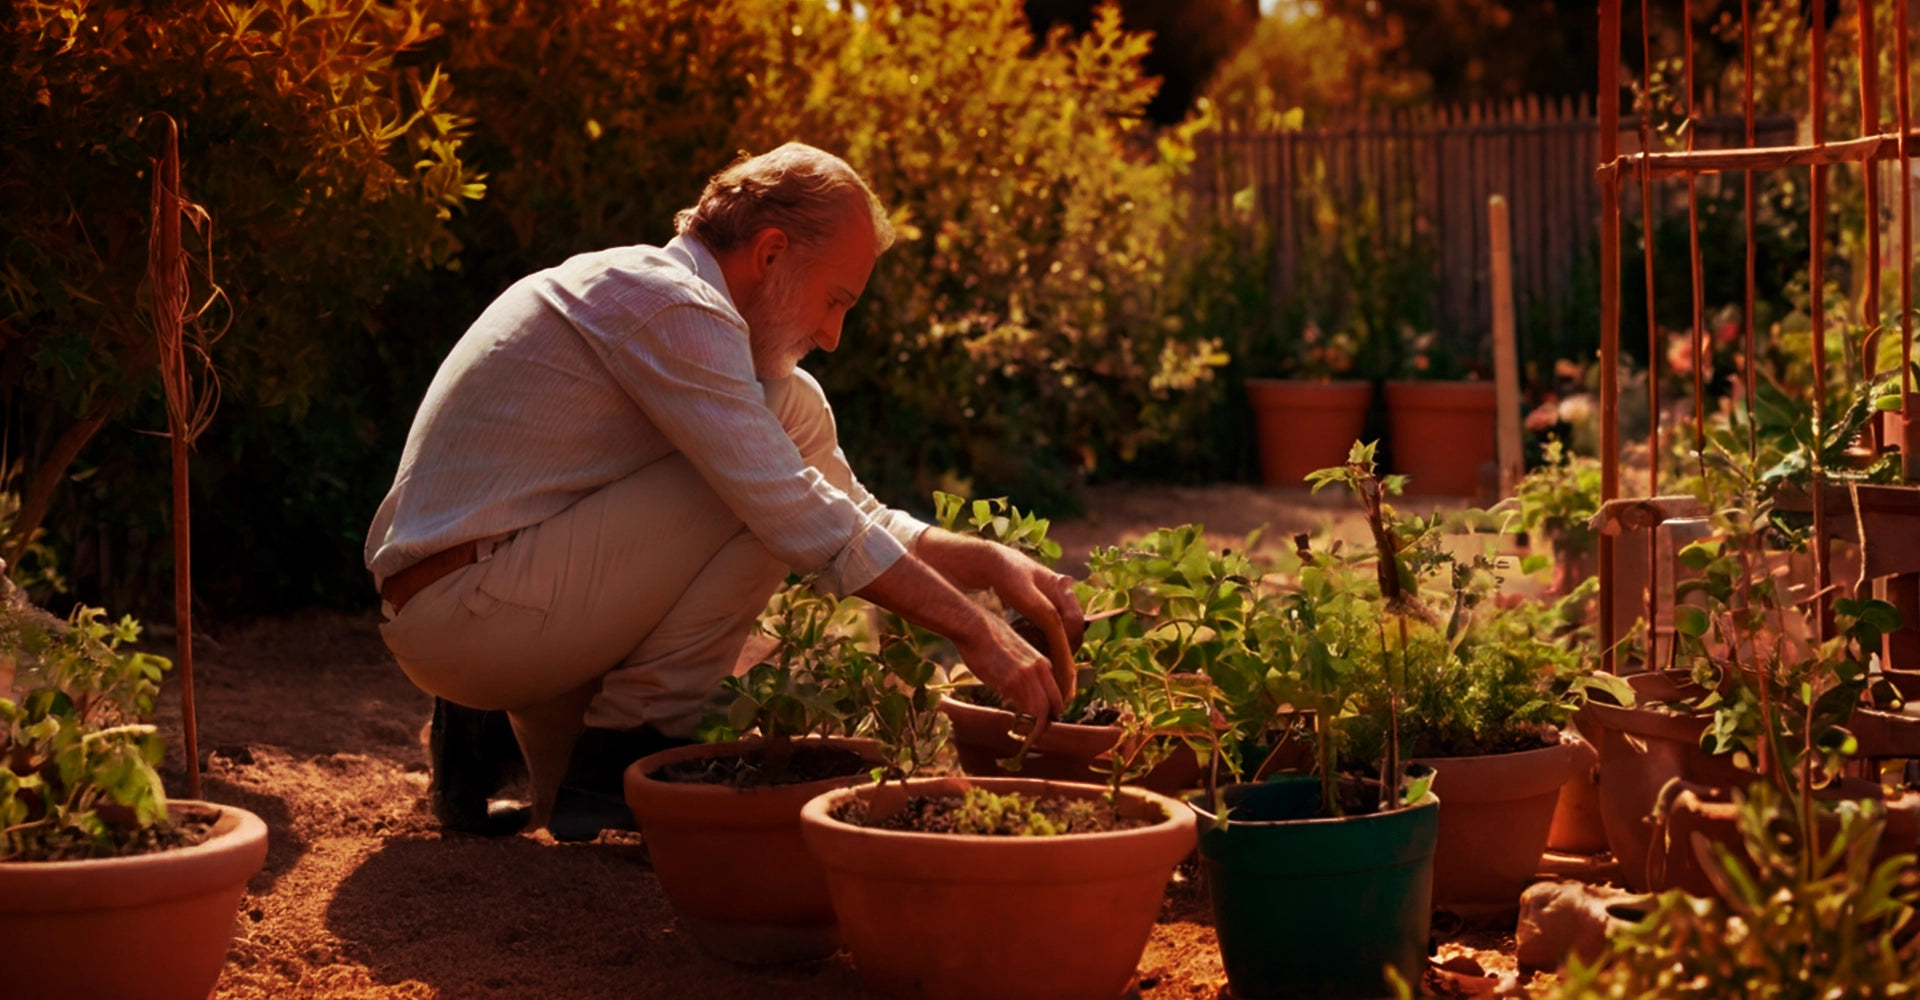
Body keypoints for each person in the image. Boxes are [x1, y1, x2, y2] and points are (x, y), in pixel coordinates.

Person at [365, 142, 1083, 839]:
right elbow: (802, 514)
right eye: (835, 300)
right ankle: (623, 754)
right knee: (769, 480)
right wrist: (973, 630)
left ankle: (528, 750)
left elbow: (849, 511)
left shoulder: (648, 294)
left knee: (789, 411)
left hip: (492, 601)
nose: (833, 334)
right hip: (473, 612)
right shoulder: (672, 306)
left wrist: (986, 563)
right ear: (770, 253)